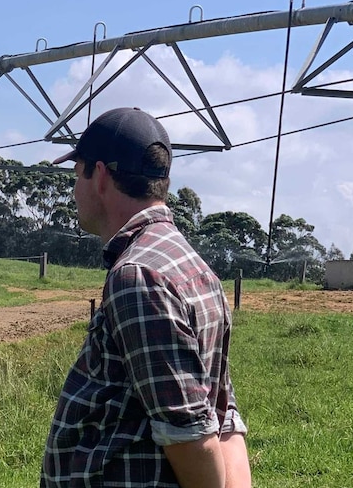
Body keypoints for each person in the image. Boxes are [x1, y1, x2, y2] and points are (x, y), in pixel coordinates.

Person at [42, 107, 252, 488]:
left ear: (100, 175)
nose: (75, 190)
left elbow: (189, 434)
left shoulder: (138, 275)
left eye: (77, 174)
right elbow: (222, 410)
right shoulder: (195, 267)